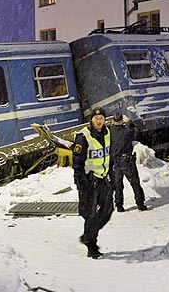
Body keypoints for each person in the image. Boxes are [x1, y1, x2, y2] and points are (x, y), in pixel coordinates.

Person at [72, 107, 113, 259]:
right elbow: (77, 163)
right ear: (91, 120)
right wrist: (81, 183)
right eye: (96, 118)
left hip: (103, 179)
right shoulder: (83, 137)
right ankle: (91, 246)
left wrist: (112, 175)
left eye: (101, 118)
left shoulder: (107, 133)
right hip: (89, 181)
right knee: (91, 214)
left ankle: (87, 235)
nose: (99, 121)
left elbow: (109, 156)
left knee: (107, 211)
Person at [110, 112, 147, 212]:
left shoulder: (111, 132)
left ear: (113, 121)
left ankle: (119, 205)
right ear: (122, 121)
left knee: (118, 185)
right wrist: (129, 122)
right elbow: (136, 131)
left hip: (116, 162)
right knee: (134, 183)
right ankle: (140, 204)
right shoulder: (127, 130)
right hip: (127, 161)